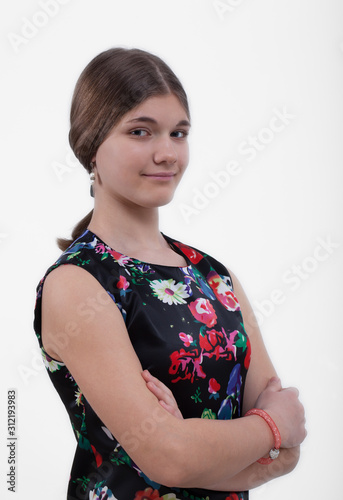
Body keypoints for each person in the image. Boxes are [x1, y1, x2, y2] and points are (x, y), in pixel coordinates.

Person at [33, 47, 306, 500]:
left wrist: (191, 449)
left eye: (178, 133)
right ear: (90, 146)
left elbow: (290, 452)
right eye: (140, 131)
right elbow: (171, 457)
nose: (166, 153)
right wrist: (271, 426)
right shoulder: (78, 284)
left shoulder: (216, 278)